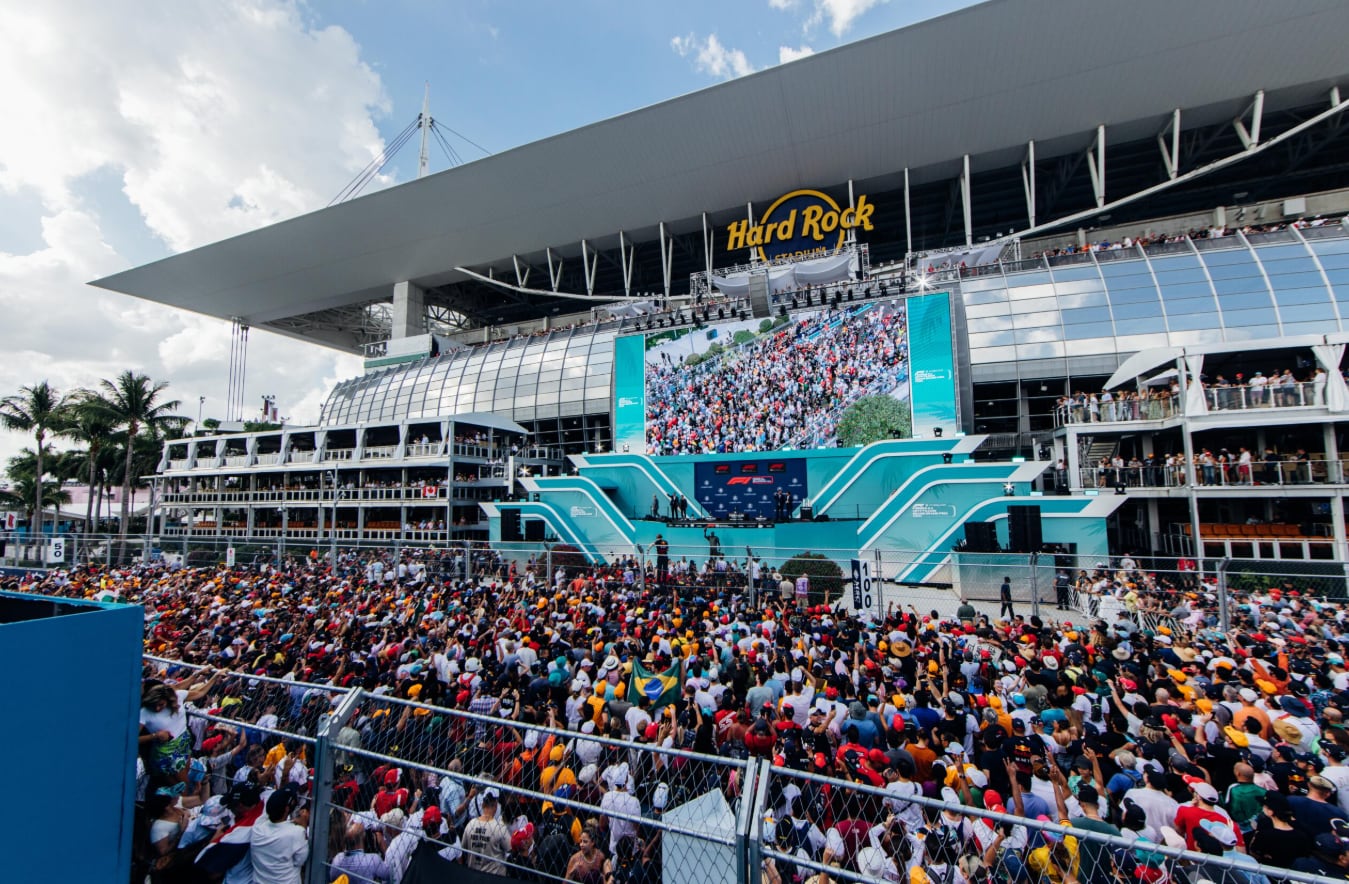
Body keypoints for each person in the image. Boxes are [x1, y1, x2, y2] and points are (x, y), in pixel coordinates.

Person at [250, 787, 308, 884]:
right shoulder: (296, 832)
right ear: (286, 809)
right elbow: (300, 861)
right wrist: (303, 826)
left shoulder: (257, 827)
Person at [462, 791, 511, 875]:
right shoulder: (499, 827)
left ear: (482, 805)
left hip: (473, 874)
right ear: (495, 807)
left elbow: (463, 849)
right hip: (493, 877)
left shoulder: (470, 824)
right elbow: (510, 849)